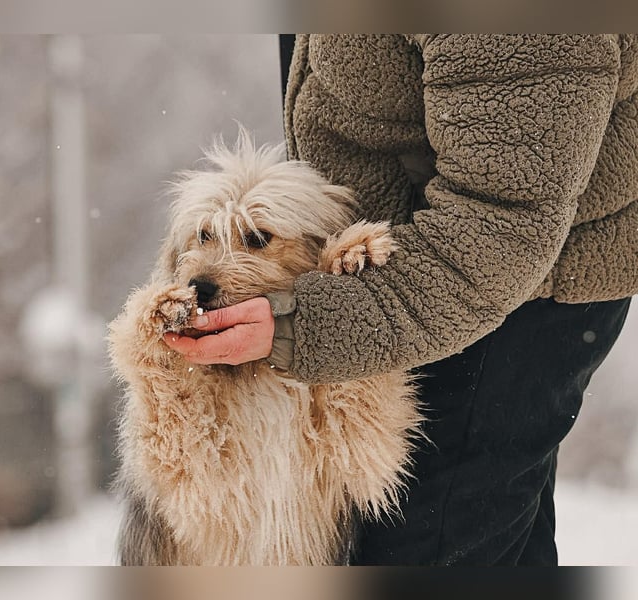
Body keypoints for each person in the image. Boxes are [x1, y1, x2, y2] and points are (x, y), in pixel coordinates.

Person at [164, 34, 637, 566]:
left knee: (426, 542)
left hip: (493, 292)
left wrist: (309, 323)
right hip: (411, 292)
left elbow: (502, 216)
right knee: (480, 540)